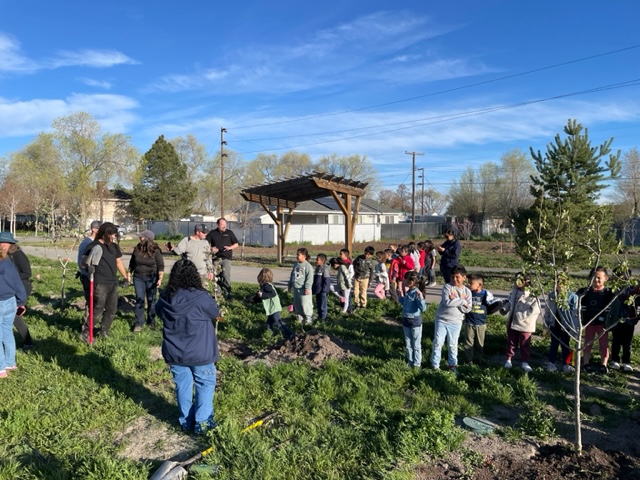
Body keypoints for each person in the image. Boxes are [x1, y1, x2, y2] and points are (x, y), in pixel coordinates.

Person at [155, 259, 219, 434]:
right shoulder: (201, 297)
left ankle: (186, 422)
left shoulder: (166, 297)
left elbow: (158, 311)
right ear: (194, 277)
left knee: (182, 385)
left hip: (175, 352)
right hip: (201, 352)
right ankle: (203, 423)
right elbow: (215, 312)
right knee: (204, 384)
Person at [81, 222, 130, 340]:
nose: (113, 237)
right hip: (100, 282)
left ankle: (104, 332)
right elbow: (84, 263)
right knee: (98, 308)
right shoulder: (93, 246)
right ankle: (86, 333)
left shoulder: (114, 247)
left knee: (111, 309)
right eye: (112, 235)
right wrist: (89, 268)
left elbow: (118, 262)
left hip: (113, 282)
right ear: (104, 234)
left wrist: (125, 276)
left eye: (115, 235)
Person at [431, 266, 472, 374]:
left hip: (456, 322)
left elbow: (468, 309)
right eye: (452, 277)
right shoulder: (447, 287)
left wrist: (455, 300)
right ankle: (435, 364)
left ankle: (452, 365)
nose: (455, 279)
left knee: (453, 344)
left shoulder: (467, 291)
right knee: (438, 342)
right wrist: (462, 301)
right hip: (442, 319)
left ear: (464, 277)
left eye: (457, 277)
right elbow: (447, 303)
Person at [0, 232, 33, 351]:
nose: (2, 245)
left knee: (15, 317)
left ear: (11, 243)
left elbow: (27, 273)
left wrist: (11, 275)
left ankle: (28, 342)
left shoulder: (18, 254)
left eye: (4, 242)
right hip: (8, 288)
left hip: (21, 288)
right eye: (0, 242)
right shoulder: (3, 255)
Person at [503, 273, 541, 373]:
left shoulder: (532, 295)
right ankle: (509, 359)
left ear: (526, 282)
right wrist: (504, 308)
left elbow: (535, 310)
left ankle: (524, 361)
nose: (516, 282)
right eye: (515, 280)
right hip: (513, 322)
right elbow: (509, 301)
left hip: (525, 324)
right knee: (511, 341)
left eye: (519, 280)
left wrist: (521, 316)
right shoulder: (514, 291)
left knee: (524, 343)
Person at [0, 236, 27, 378]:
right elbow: (18, 284)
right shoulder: (9, 263)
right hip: (11, 301)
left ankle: (1, 368)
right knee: (7, 332)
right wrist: (21, 302)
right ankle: (11, 362)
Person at [129, 230, 165, 332]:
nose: (139, 238)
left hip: (151, 277)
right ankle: (138, 323)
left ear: (147, 239)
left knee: (151, 300)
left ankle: (151, 321)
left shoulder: (156, 250)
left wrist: (160, 279)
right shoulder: (137, 248)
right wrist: (129, 273)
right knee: (139, 299)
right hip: (138, 277)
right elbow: (132, 262)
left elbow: (160, 266)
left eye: (141, 237)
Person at [579, 267, 614, 372]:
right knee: (588, 342)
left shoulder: (609, 293)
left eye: (599, 278)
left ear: (606, 278)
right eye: (594, 277)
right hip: (589, 322)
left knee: (603, 344)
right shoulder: (585, 292)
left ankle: (603, 364)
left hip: (602, 324)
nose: (596, 280)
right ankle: (586, 363)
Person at [544, 273, 578, 373]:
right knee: (554, 343)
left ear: (567, 283)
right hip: (555, 324)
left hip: (566, 326)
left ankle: (567, 364)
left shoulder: (572, 297)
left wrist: (574, 329)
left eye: (563, 283)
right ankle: (551, 363)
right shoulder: (552, 295)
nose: (560, 286)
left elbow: (575, 314)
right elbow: (547, 310)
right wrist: (546, 324)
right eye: (558, 283)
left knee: (566, 345)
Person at [463, 273, 496, 365]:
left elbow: (493, 304)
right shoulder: (468, 292)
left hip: (481, 324)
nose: (468, 285)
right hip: (469, 322)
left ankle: (479, 359)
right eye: (468, 283)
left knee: (479, 343)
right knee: (468, 342)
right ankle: (469, 359)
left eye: (471, 283)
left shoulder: (486, 294)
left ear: (479, 285)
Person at [206, 218, 239, 299]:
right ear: (217, 225)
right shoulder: (212, 233)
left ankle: (228, 292)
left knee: (226, 275)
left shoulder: (229, 233)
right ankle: (218, 293)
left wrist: (230, 247)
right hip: (216, 258)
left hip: (226, 258)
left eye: (225, 225)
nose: (224, 227)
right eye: (222, 225)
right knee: (216, 276)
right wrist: (211, 249)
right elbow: (205, 245)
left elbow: (236, 244)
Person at [256, 268, 294, 338]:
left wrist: (262, 295)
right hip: (272, 309)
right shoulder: (265, 286)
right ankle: (270, 336)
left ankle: (290, 334)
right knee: (268, 323)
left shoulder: (266, 286)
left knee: (278, 323)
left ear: (262, 277)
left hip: (274, 309)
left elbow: (272, 294)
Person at [399, 271, 426, 368]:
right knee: (408, 344)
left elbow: (423, 309)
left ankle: (417, 364)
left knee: (416, 345)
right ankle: (410, 362)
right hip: (406, 320)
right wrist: (400, 295)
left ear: (412, 281)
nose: (404, 281)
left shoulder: (417, 293)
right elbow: (405, 304)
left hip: (415, 321)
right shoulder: (408, 292)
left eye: (406, 279)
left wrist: (421, 299)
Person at [77, 220, 101, 321]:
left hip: (94, 276)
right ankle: (87, 324)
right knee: (91, 301)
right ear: (94, 230)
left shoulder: (94, 242)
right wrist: (87, 273)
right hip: (88, 277)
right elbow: (82, 262)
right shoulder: (87, 243)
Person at [288, 248, 314, 325]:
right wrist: (290, 284)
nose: (297, 256)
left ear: (304, 256)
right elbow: (292, 275)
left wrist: (307, 288)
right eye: (297, 254)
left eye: (298, 254)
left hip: (303, 290)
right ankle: (300, 318)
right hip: (296, 289)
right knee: (297, 304)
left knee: (305, 304)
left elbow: (309, 278)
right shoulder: (296, 264)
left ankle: (308, 320)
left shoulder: (308, 266)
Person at [312, 254, 332, 322]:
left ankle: (323, 317)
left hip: (322, 290)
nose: (316, 261)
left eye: (317, 259)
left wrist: (324, 289)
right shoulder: (317, 268)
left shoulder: (325, 269)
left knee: (323, 304)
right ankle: (319, 315)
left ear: (322, 261)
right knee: (318, 303)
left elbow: (327, 280)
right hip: (318, 289)